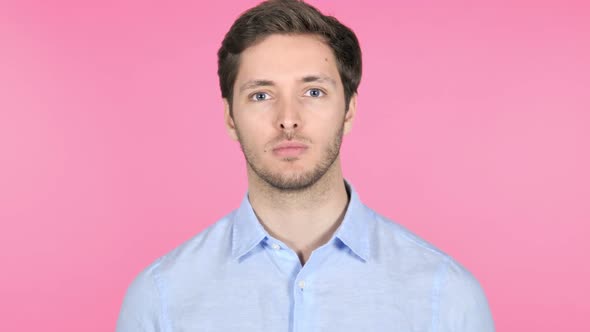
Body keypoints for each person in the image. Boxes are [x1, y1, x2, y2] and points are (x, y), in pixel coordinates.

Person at [116, 0, 495, 331]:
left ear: (348, 110)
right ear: (231, 118)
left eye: (313, 92)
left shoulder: (446, 296)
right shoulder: (160, 297)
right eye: (261, 94)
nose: (288, 118)